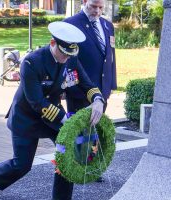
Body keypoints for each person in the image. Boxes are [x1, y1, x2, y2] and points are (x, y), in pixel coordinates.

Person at [0, 21, 105, 200]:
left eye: (69, 54)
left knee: (68, 154)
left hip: (54, 116)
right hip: (27, 117)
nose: (65, 58)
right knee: (22, 165)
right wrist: (66, 120)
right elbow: (36, 102)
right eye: (62, 53)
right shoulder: (32, 62)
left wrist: (98, 100)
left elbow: (87, 84)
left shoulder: (71, 57)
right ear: (52, 43)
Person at [64, 0, 117, 181]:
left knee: (95, 131)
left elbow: (110, 57)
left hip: (102, 90)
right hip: (80, 90)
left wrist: (111, 84)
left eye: (101, 7)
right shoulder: (70, 24)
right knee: (79, 132)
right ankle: (76, 167)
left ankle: (91, 166)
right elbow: (69, 61)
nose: (97, 11)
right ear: (84, 2)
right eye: (93, 6)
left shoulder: (107, 25)